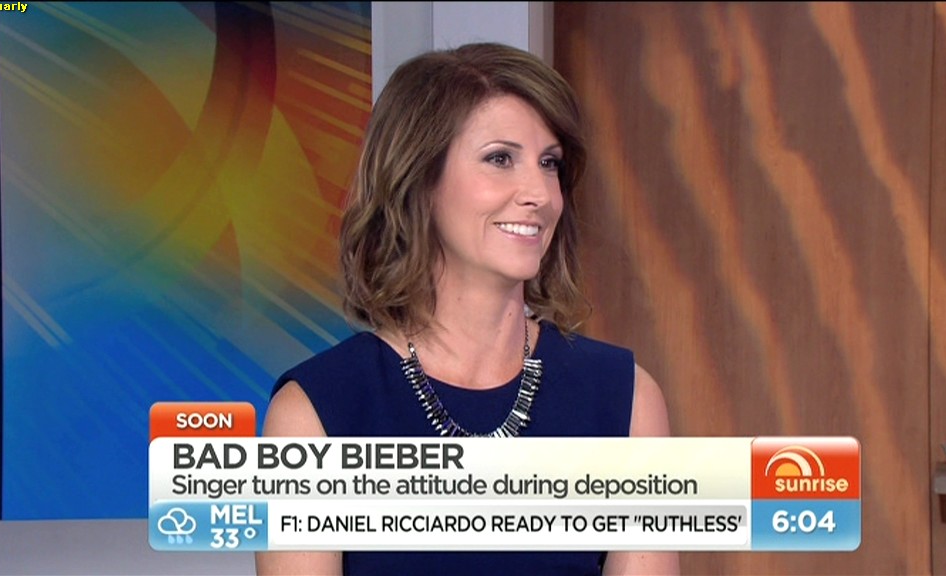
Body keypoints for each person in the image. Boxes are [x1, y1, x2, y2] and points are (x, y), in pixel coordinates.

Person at [255, 42, 680, 576]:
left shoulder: (625, 399)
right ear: (419, 180)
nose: (539, 193)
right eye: (500, 159)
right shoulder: (314, 412)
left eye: (549, 164)